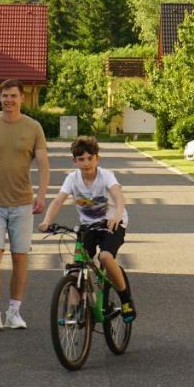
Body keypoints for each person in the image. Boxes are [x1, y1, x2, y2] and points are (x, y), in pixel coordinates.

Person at [0, 79, 49, 331]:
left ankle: (14, 311)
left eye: (13, 96)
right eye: (4, 96)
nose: (8, 100)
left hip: (22, 203)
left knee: (20, 257)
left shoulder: (33, 127)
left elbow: (43, 163)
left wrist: (42, 195)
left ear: (21, 98)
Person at [39, 136, 135, 322]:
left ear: (97, 158)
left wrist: (117, 215)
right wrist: (47, 221)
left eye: (90, 158)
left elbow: (117, 196)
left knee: (105, 257)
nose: (86, 163)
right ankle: (74, 309)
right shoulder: (72, 179)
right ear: (74, 161)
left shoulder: (106, 175)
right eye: (81, 159)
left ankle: (125, 299)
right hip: (89, 227)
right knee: (76, 267)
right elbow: (58, 200)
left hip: (111, 225)